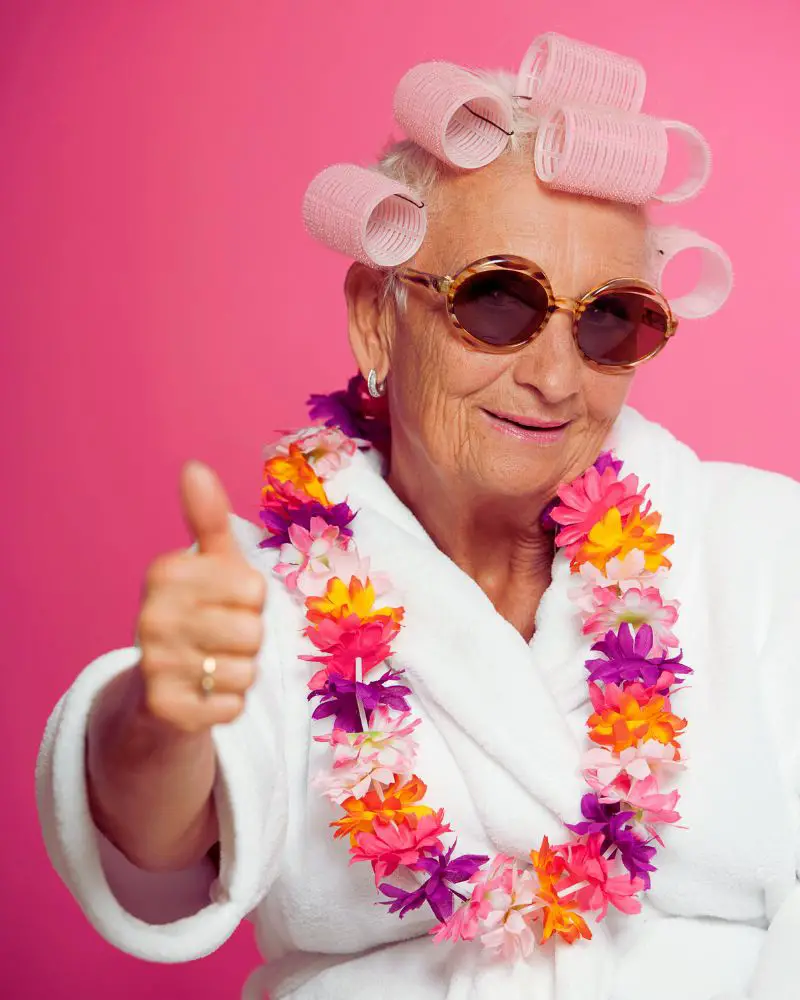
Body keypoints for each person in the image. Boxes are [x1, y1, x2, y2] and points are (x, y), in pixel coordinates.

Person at [36, 32, 800, 1000]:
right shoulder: (262, 593)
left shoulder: (764, 543)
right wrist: (157, 717)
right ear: (374, 314)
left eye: (608, 319)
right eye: (495, 303)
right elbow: (160, 849)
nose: (554, 375)